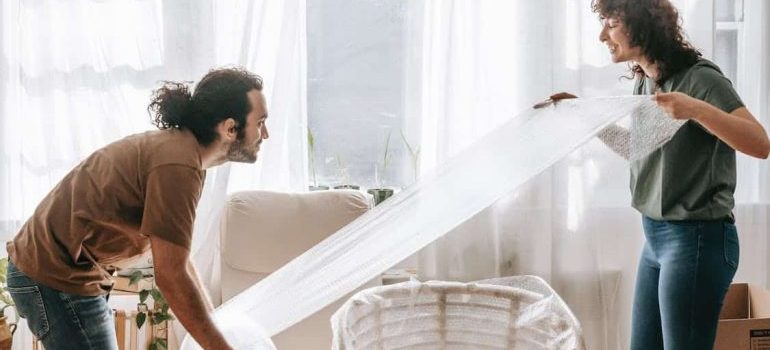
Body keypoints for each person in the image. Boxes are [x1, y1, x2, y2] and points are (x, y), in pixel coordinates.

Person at [539, 0, 770, 348]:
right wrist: (584, 116)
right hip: (657, 239)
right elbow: (637, 147)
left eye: (611, 24)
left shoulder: (700, 78)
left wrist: (695, 108)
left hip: (697, 239)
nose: (603, 35)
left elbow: (759, 143)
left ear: (641, 26)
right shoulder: (646, 82)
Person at [6, 67, 269, 350]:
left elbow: (178, 259)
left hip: (70, 275)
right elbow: (171, 276)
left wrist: (217, 326)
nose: (265, 134)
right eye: (261, 122)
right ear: (230, 128)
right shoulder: (177, 164)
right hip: (53, 275)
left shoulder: (185, 156)